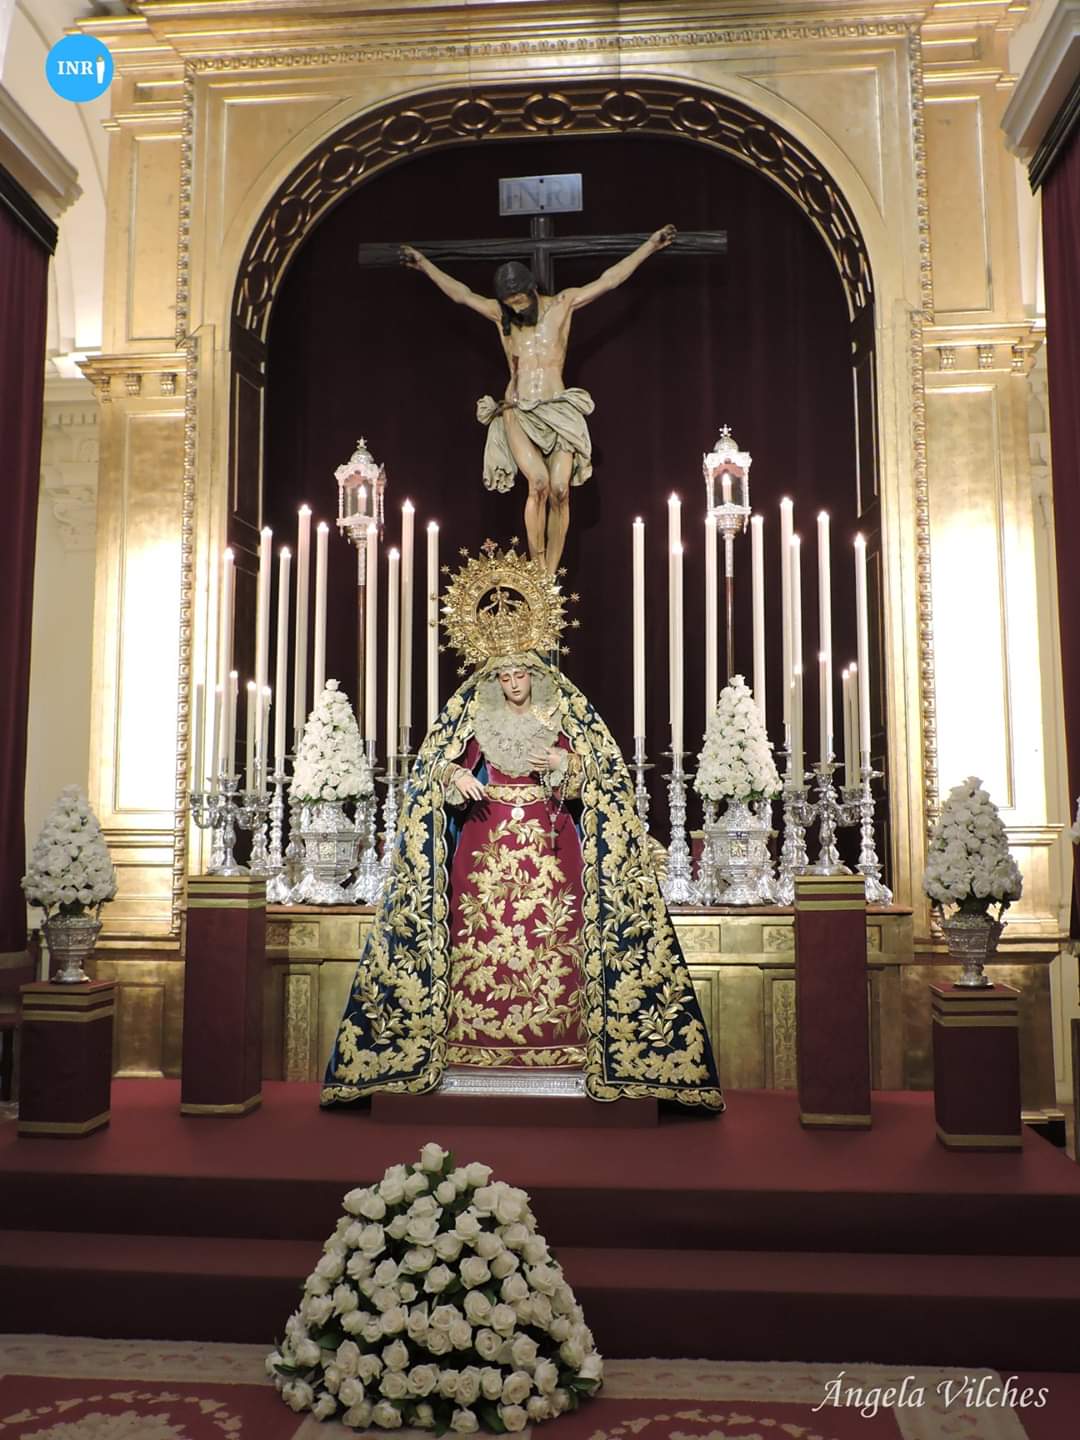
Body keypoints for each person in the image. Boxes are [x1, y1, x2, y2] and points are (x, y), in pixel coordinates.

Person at [322, 544, 723, 1110]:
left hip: (551, 843)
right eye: (504, 675)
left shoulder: (564, 713)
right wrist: (453, 776)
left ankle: (569, 1043)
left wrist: (565, 764)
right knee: (476, 939)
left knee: (554, 938)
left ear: (535, 673)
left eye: (520, 674)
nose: (513, 683)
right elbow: (432, 769)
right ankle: (465, 1045)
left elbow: (603, 777)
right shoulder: (471, 714)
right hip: (481, 840)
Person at [399, 226, 677, 574]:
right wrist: (424, 265)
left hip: (557, 408)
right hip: (518, 410)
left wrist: (649, 246)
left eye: (520, 300)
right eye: (510, 303)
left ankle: (549, 577)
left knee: (560, 489)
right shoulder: (501, 316)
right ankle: (538, 570)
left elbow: (609, 280)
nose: (516, 307)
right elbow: (462, 295)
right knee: (539, 484)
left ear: (532, 289)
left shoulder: (561, 305)